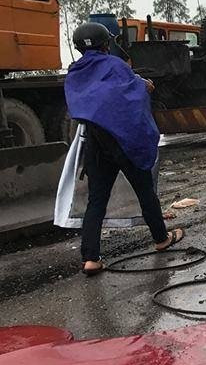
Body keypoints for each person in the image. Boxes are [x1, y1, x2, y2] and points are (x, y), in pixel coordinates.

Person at [64, 22, 184, 276]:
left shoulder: (74, 72)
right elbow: (129, 98)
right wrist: (145, 86)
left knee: (97, 200)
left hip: (95, 143)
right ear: (105, 44)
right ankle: (161, 239)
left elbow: (91, 101)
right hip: (123, 139)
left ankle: (91, 259)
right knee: (144, 189)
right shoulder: (116, 65)